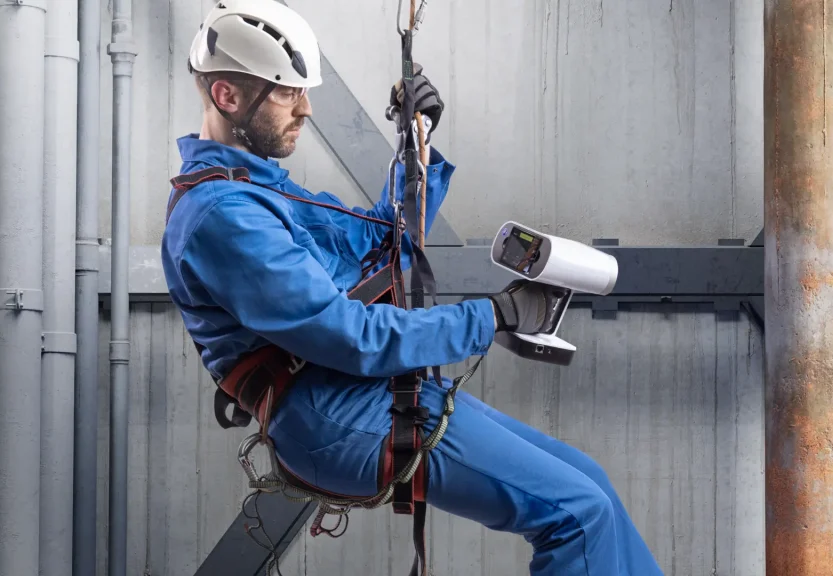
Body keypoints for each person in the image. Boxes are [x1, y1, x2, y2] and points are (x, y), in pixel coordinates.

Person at [160, 1, 663, 574]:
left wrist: (417, 141)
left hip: (368, 391)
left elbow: (384, 243)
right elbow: (350, 335)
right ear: (228, 96)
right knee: (577, 514)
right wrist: (494, 315)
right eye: (286, 92)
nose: (306, 108)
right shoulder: (223, 217)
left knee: (589, 484)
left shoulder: (260, 193)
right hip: (336, 413)